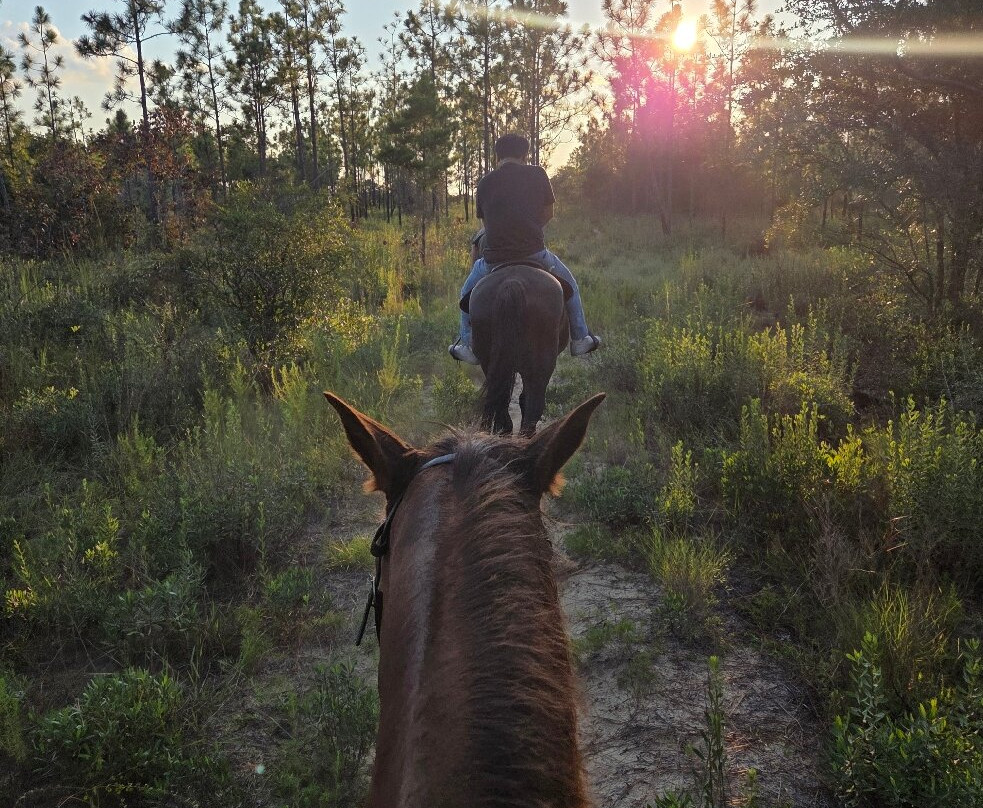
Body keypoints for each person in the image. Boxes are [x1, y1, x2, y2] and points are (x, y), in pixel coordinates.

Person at [449, 133, 601, 364]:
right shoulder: (537, 173)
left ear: (497, 156)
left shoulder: (485, 182)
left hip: (493, 260)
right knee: (571, 285)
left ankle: (467, 343)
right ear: (524, 154)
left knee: (465, 295)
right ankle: (580, 338)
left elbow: (486, 224)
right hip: (535, 253)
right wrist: (529, 228)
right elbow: (548, 212)